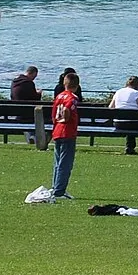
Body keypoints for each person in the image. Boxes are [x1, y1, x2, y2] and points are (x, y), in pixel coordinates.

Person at [49, 69, 82, 200]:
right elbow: (67, 111)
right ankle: (59, 190)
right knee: (66, 163)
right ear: (77, 85)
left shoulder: (59, 96)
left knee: (58, 162)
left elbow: (53, 115)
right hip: (67, 131)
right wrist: (67, 119)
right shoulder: (72, 98)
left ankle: (56, 186)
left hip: (57, 130)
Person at [110, 76, 138, 156]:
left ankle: (130, 147)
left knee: (130, 121)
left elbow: (111, 107)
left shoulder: (118, 92)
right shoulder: (136, 93)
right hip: (134, 124)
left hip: (119, 123)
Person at [9, 66, 42, 145]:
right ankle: (33, 137)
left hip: (16, 112)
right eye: (35, 76)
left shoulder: (15, 82)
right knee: (36, 117)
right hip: (26, 113)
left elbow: (12, 96)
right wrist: (39, 93)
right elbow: (35, 99)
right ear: (33, 73)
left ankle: (32, 137)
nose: (34, 78)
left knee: (27, 117)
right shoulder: (29, 83)